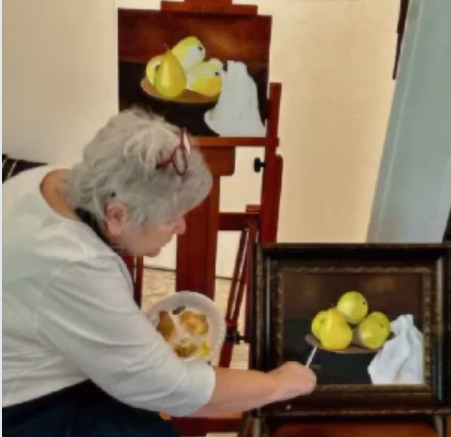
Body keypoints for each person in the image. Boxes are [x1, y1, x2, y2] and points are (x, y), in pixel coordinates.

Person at [2, 108, 316, 437]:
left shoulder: (52, 180)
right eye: (172, 218)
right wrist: (278, 384)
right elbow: (174, 389)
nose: (181, 227)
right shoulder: (74, 265)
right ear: (118, 215)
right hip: (24, 402)